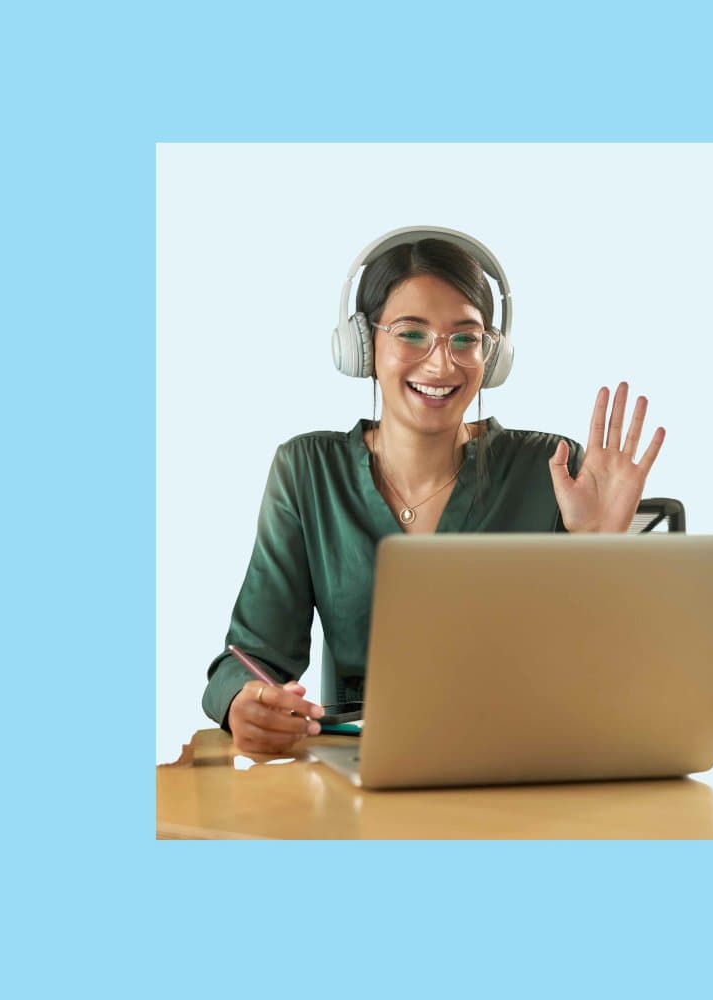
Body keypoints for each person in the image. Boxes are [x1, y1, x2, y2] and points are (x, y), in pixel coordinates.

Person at [203, 230, 666, 754]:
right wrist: (244, 700)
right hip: (370, 762)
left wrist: (602, 551)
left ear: (492, 355)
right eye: (411, 333)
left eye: (465, 339)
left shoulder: (549, 468)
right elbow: (251, 657)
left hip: (528, 758)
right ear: (362, 346)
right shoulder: (308, 471)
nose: (441, 364)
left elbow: (615, 675)